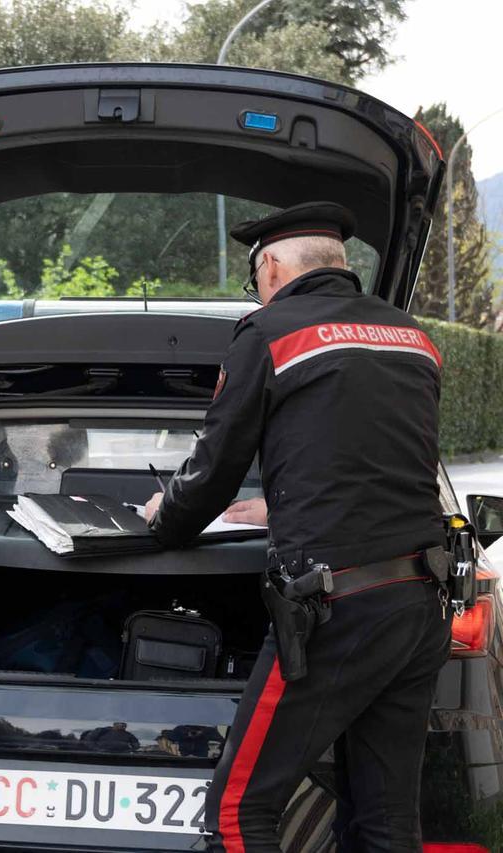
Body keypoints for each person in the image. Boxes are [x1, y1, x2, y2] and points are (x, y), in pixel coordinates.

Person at [143, 201, 450, 851]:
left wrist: (162, 519)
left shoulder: (269, 333)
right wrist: (282, 507)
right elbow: (377, 461)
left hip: (335, 610)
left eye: (255, 279)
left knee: (236, 812)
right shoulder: (414, 339)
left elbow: (213, 471)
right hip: (420, 598)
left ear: (273, 267)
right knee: (387, 819)